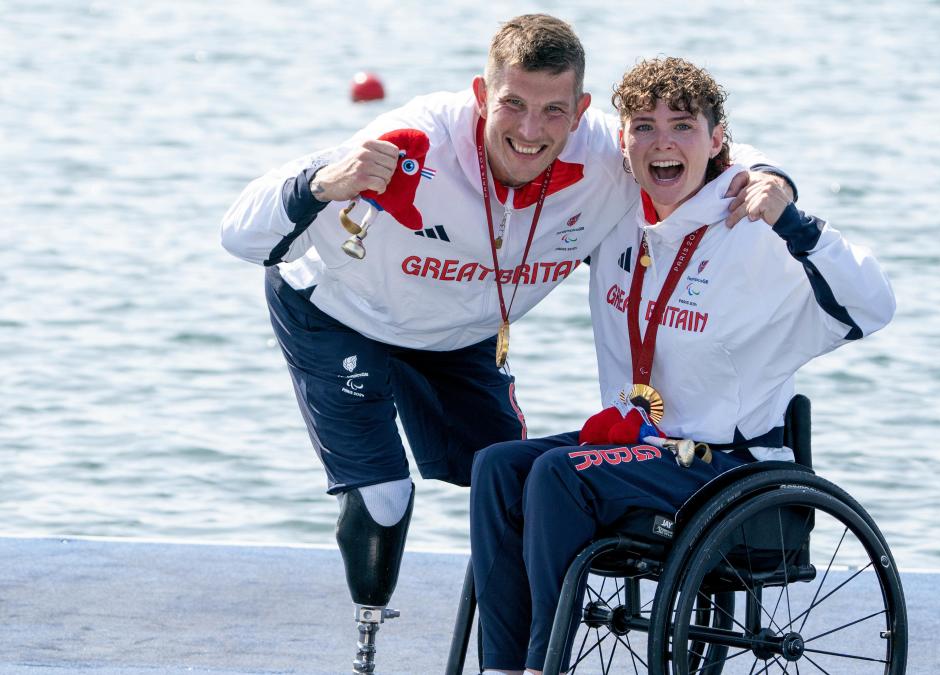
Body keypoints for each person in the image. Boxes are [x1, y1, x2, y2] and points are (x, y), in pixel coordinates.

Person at [219, 13, 794, 665]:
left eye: (552, 110)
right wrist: (321, 184)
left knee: (509, 479)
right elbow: (239, 235)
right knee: (384, 498)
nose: (530, 129)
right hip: (338, 312)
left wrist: (775, 178)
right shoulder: (411, 140)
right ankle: (368, 648)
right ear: (479, 96)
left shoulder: (606, 157)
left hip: (458, 335)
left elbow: (697, 152)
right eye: (512, 105)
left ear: (579, 111)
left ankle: (512, 658)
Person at [469, 56, 896, 675]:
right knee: (499, 466)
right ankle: (501, 666)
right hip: (641, 446)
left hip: (729, 466)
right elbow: (537, 148)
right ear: (623, 141)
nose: (661, 143)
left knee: (558, 476)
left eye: (682, 127)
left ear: (717, 140)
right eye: (643, 127)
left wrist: (794, 219)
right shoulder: (618, 213)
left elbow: (874, 306)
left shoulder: (753, 227)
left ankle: (542, 666)